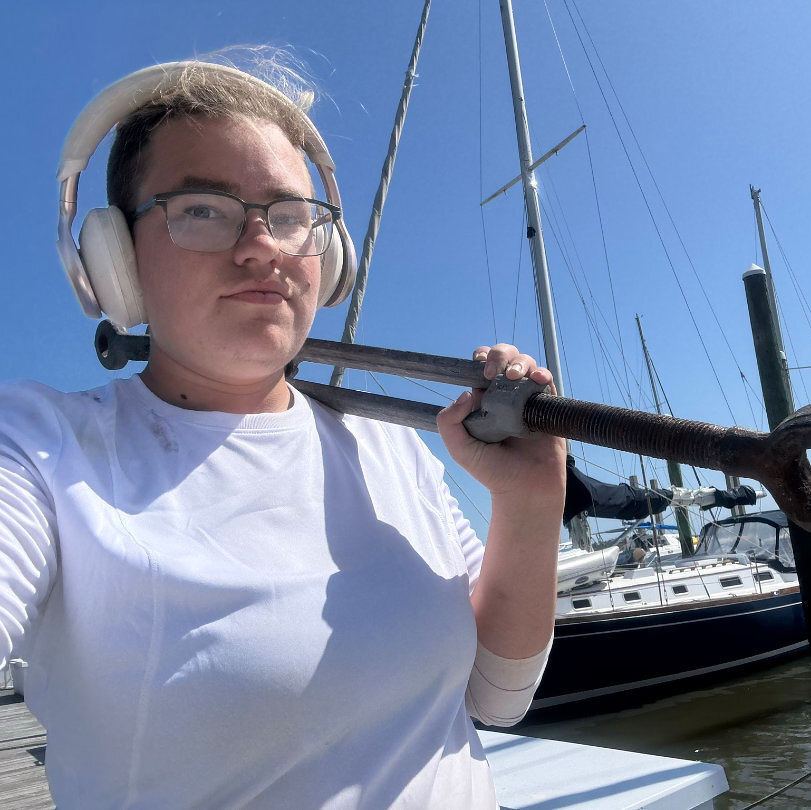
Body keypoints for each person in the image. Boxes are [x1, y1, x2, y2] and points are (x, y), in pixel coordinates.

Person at [0, 52, 566, 808]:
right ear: (113, 259)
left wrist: (529, 508)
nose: (262, 245)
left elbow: (496, 700)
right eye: (202, 207)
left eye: (291, 216)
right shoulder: (43, 453)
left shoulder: (389, 449)